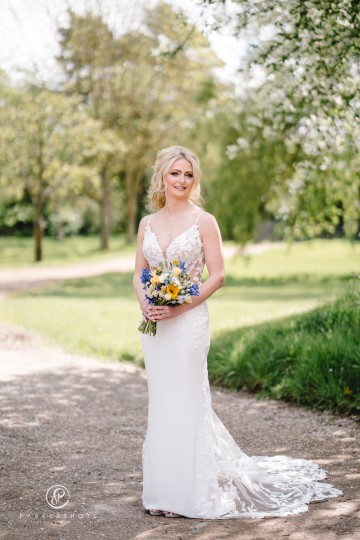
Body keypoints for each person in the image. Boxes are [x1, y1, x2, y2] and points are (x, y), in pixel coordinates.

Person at [132, 145, 343, 519]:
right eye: (175, 173)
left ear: (195, 180)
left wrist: (180, 305)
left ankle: (191, 493)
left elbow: (218, 275)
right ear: (162, 177)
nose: (182, 181)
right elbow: (139, 272)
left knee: (187, 401)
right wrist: (145, 303)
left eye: (189, 174)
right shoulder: (146, 224)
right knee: (162, 402)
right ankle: (162, 492)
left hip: (189, 322)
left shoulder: (204, 220)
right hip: (156, 327)